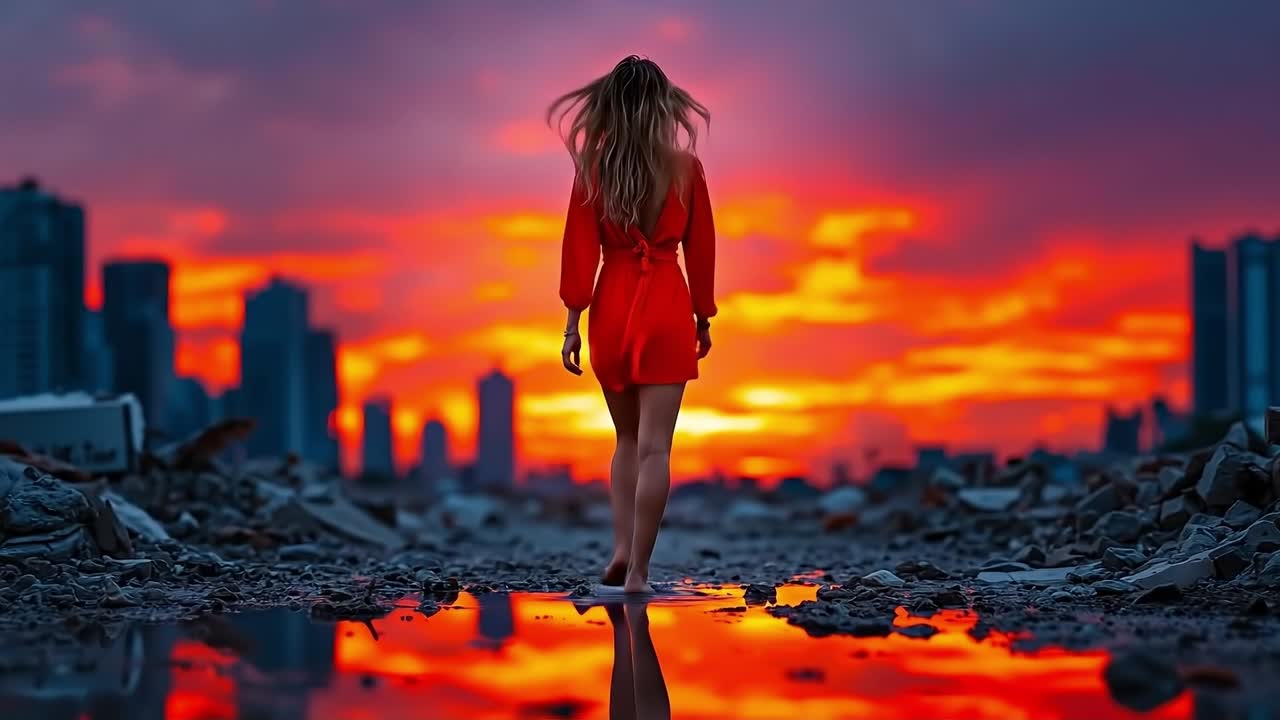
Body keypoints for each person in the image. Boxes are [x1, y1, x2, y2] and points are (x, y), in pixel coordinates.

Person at [549, 56, 716, 594]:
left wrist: (572, 322)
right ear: (665, 106)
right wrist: (703, 316)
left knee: (623, 438)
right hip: (666, 299)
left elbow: (578, 254)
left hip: (612, 305)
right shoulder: (686, 168)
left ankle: (620, 549)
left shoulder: (592, 170)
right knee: (655, 449)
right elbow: (702, 249)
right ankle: (640, 570)